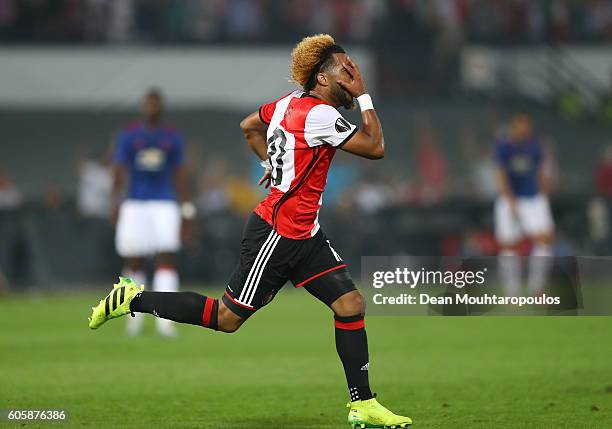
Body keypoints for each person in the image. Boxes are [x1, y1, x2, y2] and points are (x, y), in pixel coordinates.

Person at [90, 35, 412, 428]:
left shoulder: (288, 103)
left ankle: (362, 404)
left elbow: (248, 126)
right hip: (276, 234)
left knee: (350, 305)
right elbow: (376, 146)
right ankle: (132, 298)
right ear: (324, 80)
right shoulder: (319, 115)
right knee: (227, 319)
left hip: (304, 234)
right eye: (345, 72)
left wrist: (271, 165)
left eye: (354, 73)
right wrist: (364, 97)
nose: (351, 78)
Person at [110, 88, 194, 337]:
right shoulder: (129, 136)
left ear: (161, 108)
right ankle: (132, 316)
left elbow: (181, 176)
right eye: (148, 104)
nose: (151, 108)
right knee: (133, 259)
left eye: (155, 104)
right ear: (142, 107)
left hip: (164, 203)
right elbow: (118, 171)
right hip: (134, 203)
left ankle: (165, 320)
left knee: (166, 257)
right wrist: (113, 203)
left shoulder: (172, 138)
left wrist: (187, 209)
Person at [494, 113, 555, 297]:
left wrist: (544, 195)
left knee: (544, 240)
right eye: (519, 126)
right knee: (508, 245)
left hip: (533, 198)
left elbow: (540, 172)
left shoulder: (535, 147)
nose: (523, 130)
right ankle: (512, 293)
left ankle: (537, 288)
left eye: (526, 126)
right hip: (511, 199)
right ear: (513, 127)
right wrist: (509, 199)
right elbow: (500, 173)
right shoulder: (503, 147)